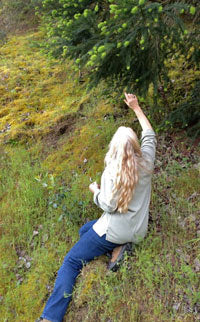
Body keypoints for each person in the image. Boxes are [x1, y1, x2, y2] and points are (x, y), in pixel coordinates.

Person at [38, 93, 157, 322]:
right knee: (85, 230)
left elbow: (108, 205)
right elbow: (149, 134)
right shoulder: (147, 162)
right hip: (139, 229)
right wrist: (136, 107)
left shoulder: (112, 172)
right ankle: (118, 249)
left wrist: (96, 192)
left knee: (71, 261)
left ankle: (50, 318)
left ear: (114, 148)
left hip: (114, 230)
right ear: (134, 145)